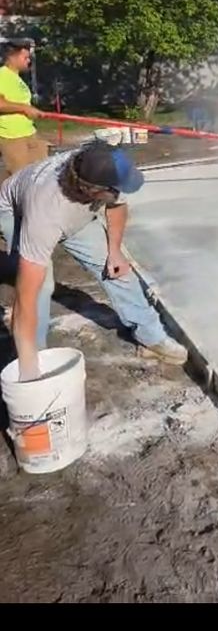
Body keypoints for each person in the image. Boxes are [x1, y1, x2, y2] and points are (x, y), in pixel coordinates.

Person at [0, 140, 187, 380]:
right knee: (40, 288)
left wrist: (115, 251)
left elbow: (117, 205)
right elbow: (27, 297)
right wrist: (28, 370)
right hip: (16, 212)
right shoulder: (44, 216)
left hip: (75, 212)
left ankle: (152, 338)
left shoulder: (97, 166)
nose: (120, 193)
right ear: (94, 191)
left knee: (118, 270)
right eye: (115, 190)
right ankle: (36, 361)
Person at [0, 41, 48, 175]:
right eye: (25, 58)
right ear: (12, 57)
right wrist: (24, 108)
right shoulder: (2, 75)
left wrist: (31, 110)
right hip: (13, 137)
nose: (29, 61)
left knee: (41, 174)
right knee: (21, 178)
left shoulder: (18, 79)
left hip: (29, 133)